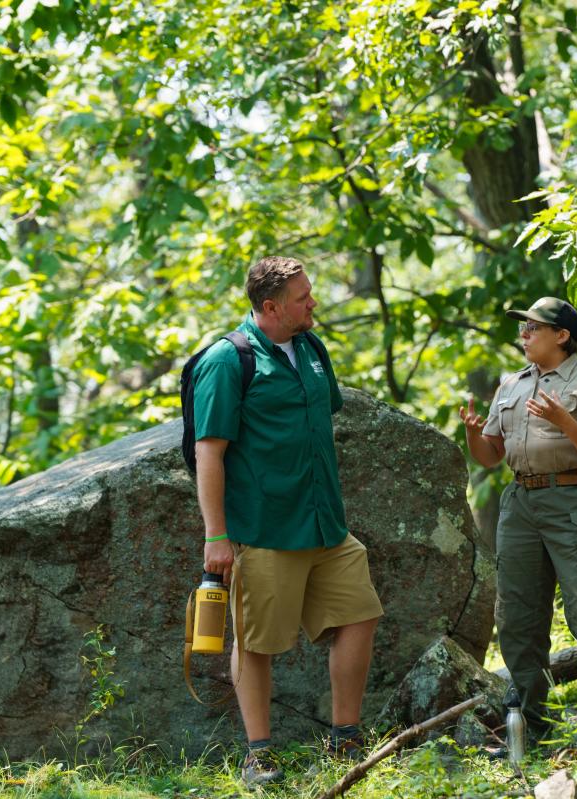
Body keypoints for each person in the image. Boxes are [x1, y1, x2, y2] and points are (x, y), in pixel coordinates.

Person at [192, 256, 383, 785]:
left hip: (326, 525)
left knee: (360, 615)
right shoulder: (227, 361)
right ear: (271, 307)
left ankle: (345, 739)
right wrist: (216, 536)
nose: (313, 302)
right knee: (257, 643)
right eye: (303, 297)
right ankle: (258, 755)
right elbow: (209, 452)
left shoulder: (312, 348)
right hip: (265, 530)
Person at [459, 297, 577, 743]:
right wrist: (472, 433)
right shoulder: (511, 385)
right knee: (517, 615)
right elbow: (490, 455)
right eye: (522, 327)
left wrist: (565, 422)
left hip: (572, 501)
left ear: (561, 335)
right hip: (520, 504)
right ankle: (531, 725)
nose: (523, 334)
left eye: (533, 327)